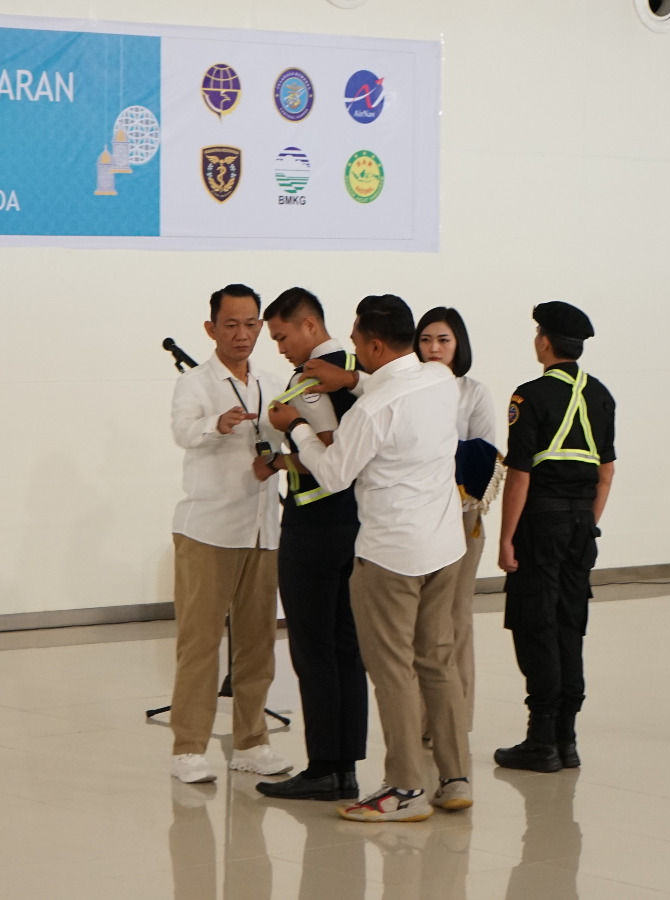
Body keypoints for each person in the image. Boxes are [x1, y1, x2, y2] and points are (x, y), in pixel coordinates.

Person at [266, 294, 472, 823]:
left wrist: (295, 427)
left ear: (376, 345)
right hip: (445, 546)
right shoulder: (440, 379)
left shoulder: (375, 410)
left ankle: (404, 789)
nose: (352, 348)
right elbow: (390, 386)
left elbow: (335, 473)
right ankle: (454, 777)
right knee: (437, 661)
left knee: (393, 670)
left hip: (391, 557)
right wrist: (352, 380)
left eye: (357, 341)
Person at [166, 283, 293, 784]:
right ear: (211, 328)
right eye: (231, 324)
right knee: (199, 642)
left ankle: (251, 742)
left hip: (262, 530)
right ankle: (187, 748)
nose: (242, 334)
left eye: (250, 324)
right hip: (209, 530)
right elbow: (182, 431)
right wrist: (217, 425)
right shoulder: (195, 383)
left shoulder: (272, 381)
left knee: (258, 643)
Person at [254, 287, 369, 802]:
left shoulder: (311, 379)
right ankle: (346, 767)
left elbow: (328, 455)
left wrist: (281, 448)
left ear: (309, 325)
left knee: (314, 649)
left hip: (316, 525)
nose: (279, 348)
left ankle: (324, 767)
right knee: (346, 648)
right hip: (357, 525)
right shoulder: (358, 372)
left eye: (282, 336)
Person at [494, 301, 616, 773]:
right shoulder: (601, 395)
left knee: (536, 623)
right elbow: (606, 472)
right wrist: (588, 521)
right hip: (581, 525)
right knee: (569, 622)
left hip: (540, 525)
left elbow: (520, 474)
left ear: (544, 342)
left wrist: (507, 538)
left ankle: (541, 740)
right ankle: (566, 739)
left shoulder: (529, 396)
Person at [415, 306, 500, 738]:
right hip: (415, 518)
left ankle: (455, 720)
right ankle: (420, 721)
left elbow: (484, 454)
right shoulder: (407, 389)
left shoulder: (473, 392)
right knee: (418, 623)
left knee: (456, 618)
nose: (434, 348)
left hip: (462, 517)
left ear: (458, 344)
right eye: (426, 339)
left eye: (443, 340)